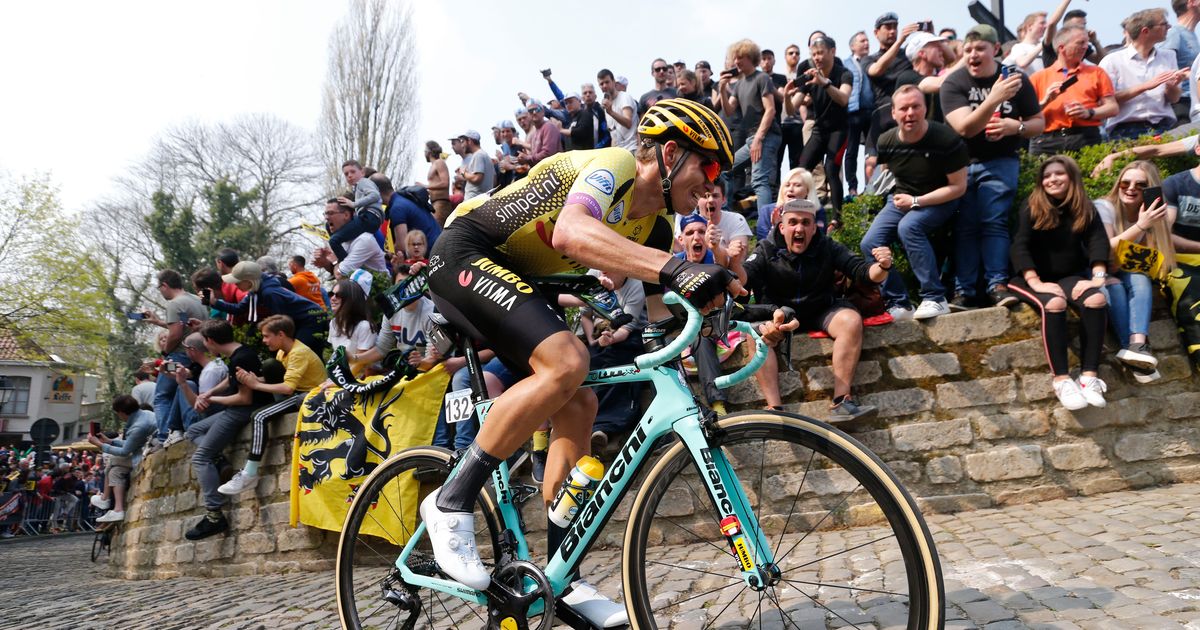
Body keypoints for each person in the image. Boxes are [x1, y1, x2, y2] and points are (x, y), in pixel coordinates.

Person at [422, 98, 739, 624]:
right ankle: (451, 500)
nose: (711, 185)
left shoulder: (656, 225)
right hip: (465, 253)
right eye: (707, 167)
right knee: (569, 360)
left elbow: (664, 312)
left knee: (580, 401)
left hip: (522, 276)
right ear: (668, 152)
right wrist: (674, 268)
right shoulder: (613, 167)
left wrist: (715, 309)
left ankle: (560, 576)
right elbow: (571, 232)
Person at [745, 199, 890, 418]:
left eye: (805, 223)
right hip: (779, 315)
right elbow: (743, 280)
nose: (799, 228)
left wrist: (883, 266)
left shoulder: (827, 245)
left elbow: (862, 271)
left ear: (814, 228)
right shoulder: (766, 249)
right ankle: (775, 410)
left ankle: (842, 402)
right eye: (792, 222)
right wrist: (734, 262)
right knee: (753, 334)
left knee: (850, 320)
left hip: (821, 309)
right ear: (781, 226)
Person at [941, 24, 1045, 309]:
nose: (972, 55)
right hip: (961, 164)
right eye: (968, 50)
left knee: (993, 221)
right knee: (964, 226)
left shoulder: (1018, 80)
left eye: (979, 49)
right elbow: (965, 127)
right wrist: (994, 98)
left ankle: (997, 285)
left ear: (995, 50)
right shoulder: (954, 82)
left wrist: (1016, 126)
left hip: (1001, 161)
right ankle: (964, 292)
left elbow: (1039, 123)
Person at [1008, 156, 1111, 411]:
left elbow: (1098, 240)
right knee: (1054, 304)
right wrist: (1036, 282)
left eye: (1059, 174)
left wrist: (1097, 278)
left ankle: (1088, 377)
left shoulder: (1084, 206)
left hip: (1068, 276)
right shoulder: (1031, 206)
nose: (1052, 179)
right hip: (1030, 277)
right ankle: (1062, 380)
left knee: (1097, 299)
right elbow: (1019, 246)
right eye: (1047, 176)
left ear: (1072, 177)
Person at [860, 85, 969, 320]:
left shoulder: (945, 139)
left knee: (909, 227)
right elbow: (889, 174)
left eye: (915, 106)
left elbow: (959, 187)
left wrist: (917, 201)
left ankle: (935, 297)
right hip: (903, 198)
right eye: (904, 108)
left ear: (925, 109)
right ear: (894, 113)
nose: (910, 113)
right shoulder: (886, 141)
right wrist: (906, 200)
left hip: (941, 197)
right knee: (870, 242)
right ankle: (899, 302)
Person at [184, 319, 273, 540]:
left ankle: (214, 515)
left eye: (206, 342)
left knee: (200, 458)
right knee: (193, 431)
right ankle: (220, 462)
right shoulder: (239, 352)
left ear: (211, 341)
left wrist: (212, 399)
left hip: (243, 411)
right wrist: (208, 393)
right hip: (237, 408)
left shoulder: (240, 359)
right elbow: (230, 379)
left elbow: (244, 398)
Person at [219, 315, 326, 496]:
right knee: (270, 366)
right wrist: (251, 379)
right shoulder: (283, 352)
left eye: (267, 336)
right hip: (297, 393)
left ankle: (249, 474)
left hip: (311, 396)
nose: (264, 340)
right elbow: (283, 381)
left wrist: (256, 385)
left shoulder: (299, 353)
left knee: (259, 416)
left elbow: (287, 388)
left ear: (281, 334)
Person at [1095, 162, 1177, 382]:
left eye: (1140, 185)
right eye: (1125, 182)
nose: (1131, 188)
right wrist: (1140, 226)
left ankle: (1137, 345)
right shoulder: (1104, 206)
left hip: (1121, 268)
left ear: (1150, 189)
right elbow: (1103, 249)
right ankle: (1136, 354)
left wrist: (1152, 226)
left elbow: (1151, 264)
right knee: (1115, 287)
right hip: (1095, 268)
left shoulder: (1154, 217)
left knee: (1139, 280)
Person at [786, 36, 853, 220]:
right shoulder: (810, 76)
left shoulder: (844, 73)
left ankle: (837, 218)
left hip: (839, 130)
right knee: (801, 169)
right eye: (814, 54)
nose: (817, 58)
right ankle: (803, 211)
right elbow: (792, 108)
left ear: (832, 51)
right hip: (819, 130)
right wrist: (786, 95)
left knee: (831, 168)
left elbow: (844, 98)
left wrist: (824, 83)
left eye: (821, 53)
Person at [142, 269, 210, 441]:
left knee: (162, 396)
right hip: (197, 354)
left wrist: (165, 353)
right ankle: (178, 429)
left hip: (178, 356)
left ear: (165, 285)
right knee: (183, 388)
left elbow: (176, 334)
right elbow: (184, 326)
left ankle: (165, 435)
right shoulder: (195, 300)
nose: (160, 291)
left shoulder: (174, 303)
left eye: (159, 288)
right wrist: (158, 322)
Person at [1029, 26, 1118, 155]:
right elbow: (1026, 116)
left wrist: (1089, 112)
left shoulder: (1096, 73)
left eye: (1087, 43)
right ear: (1061, 48)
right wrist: (1046, 101)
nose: (1086, 47)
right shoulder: (1038, 78)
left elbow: (1113, 107)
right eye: (1080, 43)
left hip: (1085, 136)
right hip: (1046, 141)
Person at [717, 39, 781, 215]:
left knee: (760, 181)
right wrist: (722, 89)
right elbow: (729, 110)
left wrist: (759, 139)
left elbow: (770, 110)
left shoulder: (762, 78)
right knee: (724, 171)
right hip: (751, 138)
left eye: (740, 57)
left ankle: (765, 228)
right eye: (735, 57)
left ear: (750, 57)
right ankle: (727, 216)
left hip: (766, 136)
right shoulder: (739, 84)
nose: (736, 61)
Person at [1101, 9, 1187, 140]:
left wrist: (1172, 86)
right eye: (1164, 24)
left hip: (1164, 127)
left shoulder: (1168, 56)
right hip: (1125, 131)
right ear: (1145, 31)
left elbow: (1174, 99)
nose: (1169, 27)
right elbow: (1105, 101)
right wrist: (1145, 86)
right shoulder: (1112, 60)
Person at [208, 260, 327, 353]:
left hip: (311, 318)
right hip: (300, 319)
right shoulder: (256, 289)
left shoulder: (269, 293)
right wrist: (214, 302)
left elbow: (282, 322)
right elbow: (239, 309)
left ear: (249, 280)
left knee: (302, 352)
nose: (235, 285)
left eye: (237, 281)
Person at [88, 396, 155, 523]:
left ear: (122, 412)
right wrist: (110, 442)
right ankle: (117, 510)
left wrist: (100, 445)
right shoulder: (145, 414)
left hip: (146, 455)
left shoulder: (138, 426)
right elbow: (131, 443)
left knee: (113, 461)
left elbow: (125, 452)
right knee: (115, 471)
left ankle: (105, 499)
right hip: (145, 450)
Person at [163, 332, 229, 446]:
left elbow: (201, 408)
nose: (185, 353)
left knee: (184, 386)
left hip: (207, 419)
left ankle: (175, 430)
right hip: (219, 410)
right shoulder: (218, 362)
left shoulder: (209, 372)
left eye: (185, 349)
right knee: (190, 384)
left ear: (192, 350)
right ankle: (175, 430)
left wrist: (183, 384)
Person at [312, 199, 388, 281]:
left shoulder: (364, 240)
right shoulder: (341, 241)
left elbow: (340, 275)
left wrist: (334, 261)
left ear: (346, 215)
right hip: (359, 291)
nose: (326, 218)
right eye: (325, 214)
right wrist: (326, 263)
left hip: (381, 290)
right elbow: (339, 270)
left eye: (331, 213)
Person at [375, 172, 442, 259]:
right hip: (440, 246)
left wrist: (386, 256)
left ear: (376, 191)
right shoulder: (405, 197)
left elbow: (402, 246)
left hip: (433, 256)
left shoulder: (397, 208)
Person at [329, 160, 384, 262]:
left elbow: (375, 195)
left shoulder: (363, 182)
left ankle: (345, 266)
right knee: (330, 227)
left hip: (369, 217)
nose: (349, 176)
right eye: (346, 174)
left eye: (353, 172)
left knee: (334, 240)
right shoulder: (357, 187)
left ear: (362, 172)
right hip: (366, 218)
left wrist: (353, 204)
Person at [845, 31, 875, 197]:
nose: (866, 43)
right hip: (852, 112)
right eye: (862, 41)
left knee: (871, 151)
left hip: (871, 110)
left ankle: (870, 186)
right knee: (851, 151)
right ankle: (852, 187)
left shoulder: (873, 61)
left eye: (867, 40)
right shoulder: (846, 64)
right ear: (852, 46)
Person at [327, 279, 378, 377]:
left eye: (338, 295)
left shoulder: (364, 326)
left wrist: (339, 381)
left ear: (351, 299)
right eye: (331, 294)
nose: (333, 298)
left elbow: (360, 363)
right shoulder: (333, 323)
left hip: (362, 379)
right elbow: (336, 356)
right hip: (342, 376)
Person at [757, 167, 824, 240]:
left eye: (797, 185)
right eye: (787, 185)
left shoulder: (817, 211)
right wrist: (776, 227)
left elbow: (819, 242)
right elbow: (762, 244)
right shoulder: (767, 211)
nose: (790, 189)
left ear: (807, 191)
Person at [1163, 0, 1200, 124]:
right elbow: (1162, 66)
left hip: (1192, 101)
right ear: (1192, 2)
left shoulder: (1192, 35)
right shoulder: (1174, 33)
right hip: (1182, 104)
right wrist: (1188, 75)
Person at [597, 69, 638, 151]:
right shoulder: (607, 105)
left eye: (607, 82)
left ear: (613, 82)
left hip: (631, 148)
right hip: (619, 151)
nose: (604, 85)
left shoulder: (624, 97)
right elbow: (613, 133)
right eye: (601, 84)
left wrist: (611, 112)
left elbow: (628, 123)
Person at [423, 141, 453, 226]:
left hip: (441, 204)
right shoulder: (433, 165)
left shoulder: (439, 162)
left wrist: (425, 186)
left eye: (424, 151)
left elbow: (445, 183)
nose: (424, 153)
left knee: (438, 233)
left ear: (429, 152)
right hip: (434, 204)